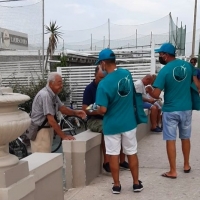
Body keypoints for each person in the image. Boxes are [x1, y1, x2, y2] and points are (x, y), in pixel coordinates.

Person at [95, 48, 143, 194]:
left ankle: (116, 185)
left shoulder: (103, 84)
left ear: (103, 63)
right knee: (132, 152)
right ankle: (136, 183)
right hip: (128, 123)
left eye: (100, 64)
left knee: (113, 155)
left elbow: (102, 109)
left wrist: (94, 110)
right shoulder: (127, 74)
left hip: (112, 125)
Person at [150, 43, 199, 178]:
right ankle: (186, 165)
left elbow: (155, 94)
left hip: (171, 109)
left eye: (160, 54)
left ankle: (172, 171)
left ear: (165, 55)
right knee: (185, 137)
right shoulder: (188, 66)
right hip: (186, 108)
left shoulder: (164, 71)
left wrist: (149, 89)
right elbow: (197, 85)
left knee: (170, 140)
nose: (159, 56)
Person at [82, 66, 129, 173]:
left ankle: (122, 160)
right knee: (107, 129)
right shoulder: (90, 89)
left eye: (104, 78)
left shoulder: (110, 87)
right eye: (100, 78)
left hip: (110, 116)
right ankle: (106, 162)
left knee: (122, 128)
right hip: (95, 119)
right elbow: (85, 108)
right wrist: (98, 109)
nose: (103, 80)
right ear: (95, 75)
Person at [27, 72, 86, 153]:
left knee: (46, 158)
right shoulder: (46, 95)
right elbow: (51, 120)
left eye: (62, 83)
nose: (61, 86)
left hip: (46, 130)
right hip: (41, 131)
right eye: (59, 83)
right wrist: (63, 136)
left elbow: (63, 109)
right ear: (51, 83)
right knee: (42, 159)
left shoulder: (53, 94)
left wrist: (76, 112)